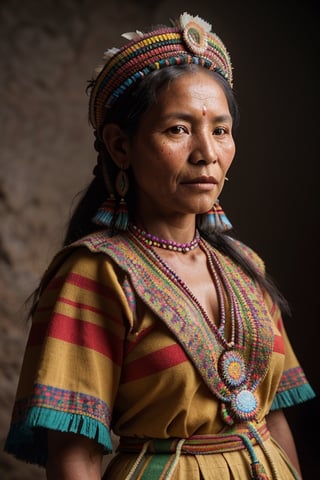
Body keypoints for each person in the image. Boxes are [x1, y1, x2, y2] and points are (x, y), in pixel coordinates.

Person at [4, 12, 315, 480]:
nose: (207, 152)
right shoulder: (95, 274)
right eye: (178, 129)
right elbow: (77, 456)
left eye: (221, 129)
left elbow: (271, 419)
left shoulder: (246, 267)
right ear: (120, 146)